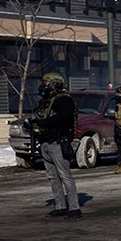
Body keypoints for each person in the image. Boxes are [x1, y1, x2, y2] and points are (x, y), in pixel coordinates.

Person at [31, 71, 82, 219]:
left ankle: (74, 208)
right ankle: (60, 206)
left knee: (65, 175)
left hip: (58, 142)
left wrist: (45, 122)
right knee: (52, 176)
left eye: (47, 83)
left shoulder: (64, 100)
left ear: (55, 84)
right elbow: (39, 115)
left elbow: (64, 117)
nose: (43, 86)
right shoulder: (47, 100)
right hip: (46, 142)